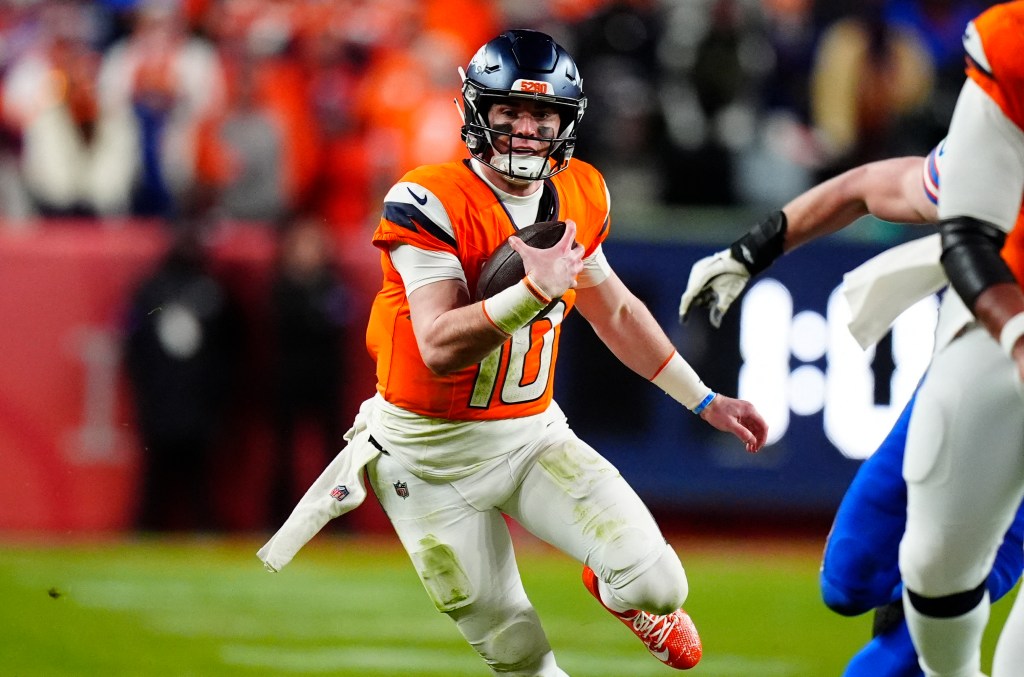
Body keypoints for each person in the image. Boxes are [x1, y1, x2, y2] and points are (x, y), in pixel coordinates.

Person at [258, 29, 768, 676]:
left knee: (659, 584)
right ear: (478, 112)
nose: (526, 128)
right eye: (510, 111)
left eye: (542, 114)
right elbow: (439, 344)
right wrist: (533, 291)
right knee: (518, 650)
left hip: (530, 436)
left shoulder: (581, 191)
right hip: (426, 452)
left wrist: (704, 399)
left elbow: (613, 310)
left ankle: (619, 597)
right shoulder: (428, 197)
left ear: (566, 121)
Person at [682, 4, 1024, 674]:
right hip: (988, 360)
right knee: (851, 576)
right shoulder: (998, 131)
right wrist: (754, 248)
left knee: (934, 603)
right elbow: (872, 187)